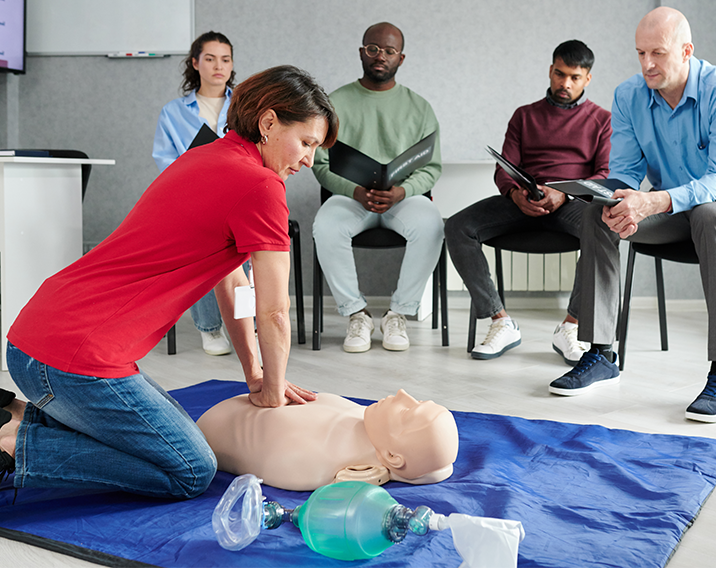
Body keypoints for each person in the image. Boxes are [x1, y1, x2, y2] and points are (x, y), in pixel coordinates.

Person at [0, 65, 339, 497]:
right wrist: (272, 391)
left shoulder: (204, 156)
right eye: (307, 143)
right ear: (269, 122)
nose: (309, 160)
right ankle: (19, 446)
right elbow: (274, 310)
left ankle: (13, 411)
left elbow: (231, 284)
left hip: (32, 340)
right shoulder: (262, 186)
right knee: (191, 470)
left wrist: (257, 373)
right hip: (76, 361)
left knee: (163, 441)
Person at [548, 7, 716, 424]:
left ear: (686, 51)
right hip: (674, 206)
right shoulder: (629, 95)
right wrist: (619, 201)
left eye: (659, 53)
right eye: (640, 53)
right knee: (599, 214)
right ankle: (600, 354)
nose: (647, 64)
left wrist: (651, 202)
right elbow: (626, 173)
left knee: (710, 215)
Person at [445, 40, 611, 363]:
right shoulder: (524, 116)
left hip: (571, 202)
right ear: (550, 70)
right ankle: (500, 320)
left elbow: (604, 174)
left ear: (587, 79)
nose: (565, 84)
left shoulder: (601, 120)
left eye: (574, 77)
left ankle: (572, 326)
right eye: (560, 74)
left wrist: (564, 192)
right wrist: (515, 194)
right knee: (457, 226)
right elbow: (504, 167)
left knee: (603, 230)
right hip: (523, 200)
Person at [312, 22, 443, 353]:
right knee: (325, 226)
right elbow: (320, 164)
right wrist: (354, 191)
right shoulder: (334, 103)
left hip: (403, 199)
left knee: (431, 225)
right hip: (351, 197)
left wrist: (403, 191)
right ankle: (356, 314)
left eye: (388, 51)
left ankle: (398, 314)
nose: (380, 56)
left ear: (401, 58)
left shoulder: (420, 108)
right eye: (373, 49)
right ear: (361, 52)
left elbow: (432, 167)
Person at [152, 31, 237, 356]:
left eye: (225, 59)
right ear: (195, 63)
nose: (219, 66)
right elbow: (166, 161)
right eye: (211, 58)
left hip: (237, 196)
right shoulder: (173, 112)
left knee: (246, 233)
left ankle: (246, 321)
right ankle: (210, 328)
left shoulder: (246, 105)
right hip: (193, 200)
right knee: (200, 238)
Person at [197, 389, 459, 491]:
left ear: (392, 457)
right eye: (418, 399)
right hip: (227, 415)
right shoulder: (370, 422)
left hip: (210, 433)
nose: (402, 394)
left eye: (406, 412)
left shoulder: (315, 461)